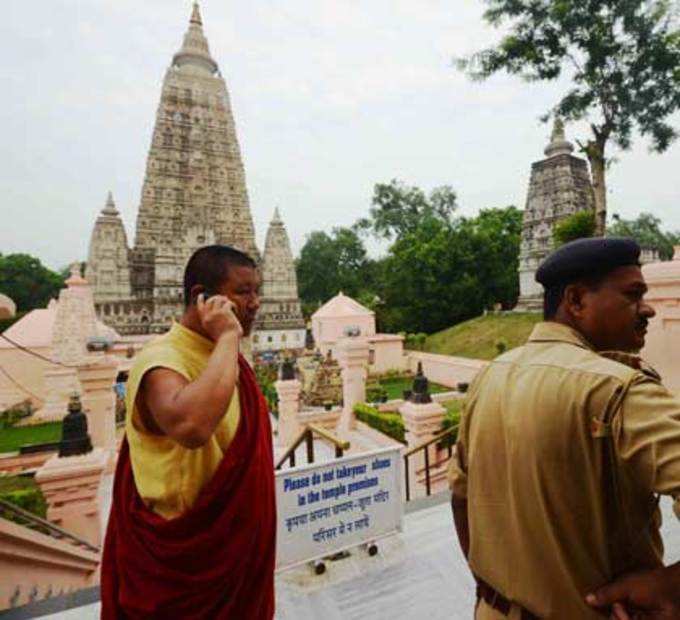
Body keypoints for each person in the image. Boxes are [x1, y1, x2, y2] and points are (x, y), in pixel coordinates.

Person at [449, 237, 680, 619]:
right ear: (575, 302)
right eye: (632, 295)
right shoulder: (618, 390)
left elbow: (460, 497)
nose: (648, 309)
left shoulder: (491, 375)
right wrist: (670, 587)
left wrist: (488, 582)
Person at [101, 245, 276, 619]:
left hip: (236, 554)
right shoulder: (160, 359)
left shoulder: (226, 362)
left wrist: (227, 345)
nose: (255, 303)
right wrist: (229, 337)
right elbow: (191, 426)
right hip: (183, 567)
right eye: (243, 292)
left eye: (256, 291)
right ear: (203, 298)